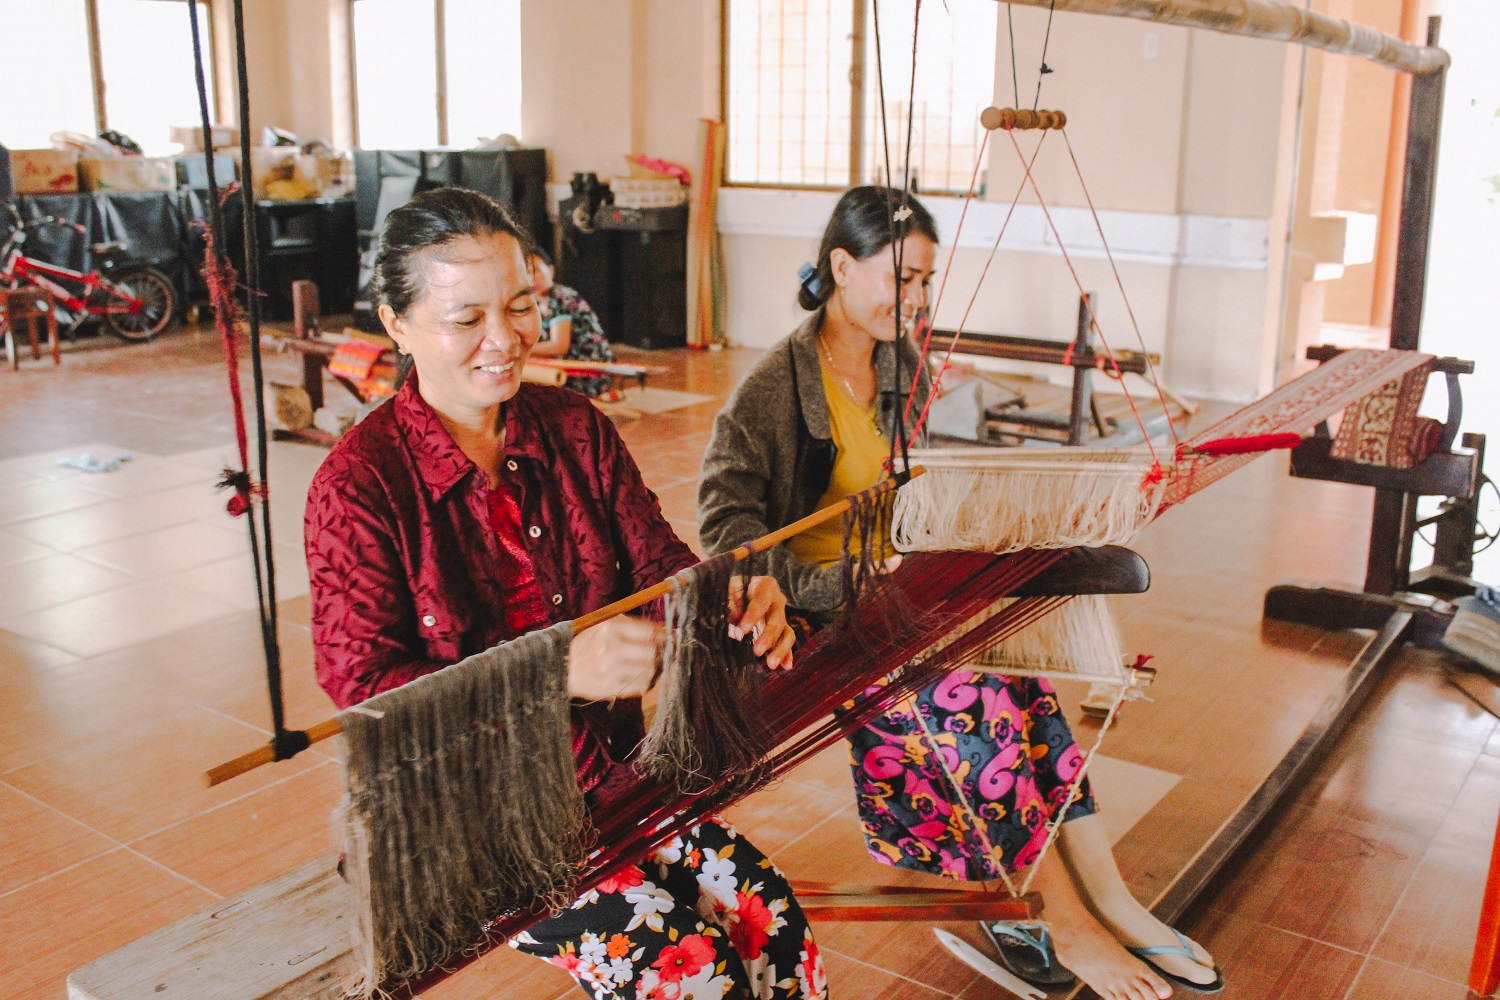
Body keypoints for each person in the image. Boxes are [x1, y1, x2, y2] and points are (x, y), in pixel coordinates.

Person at [697, 186, 1223, 1000]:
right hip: (824, 621)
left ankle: (1113, 901)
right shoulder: (772, 389)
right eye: (899, 278)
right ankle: (1065, 924)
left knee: (1026, 691)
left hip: (904, 597)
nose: (913, 301)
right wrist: (832, 585)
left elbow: (924, 489)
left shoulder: (902, 365)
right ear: (841, 265)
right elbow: (727, 537)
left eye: (924, 283)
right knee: (969, 709)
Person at [305, 187, 826, 1000]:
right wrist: (551, 674)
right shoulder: (359, 487)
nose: (504, 340)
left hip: (601, 781)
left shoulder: (574, 429)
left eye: (519, 307)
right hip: (461, 823)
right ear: (396, 323)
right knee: (688, 970)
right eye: (465, 318)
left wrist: (728, 603)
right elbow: (366, 697)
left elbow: (661, 569)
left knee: (774, 928)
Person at [528, 247, 618, 398]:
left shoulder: (561, 298)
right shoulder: (535, 302)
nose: (531, 277)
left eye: (535, 270)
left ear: (550, 270)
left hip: (588, 371)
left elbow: (559, 346)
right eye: (526, 272)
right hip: (567, 367)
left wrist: (522, 350)